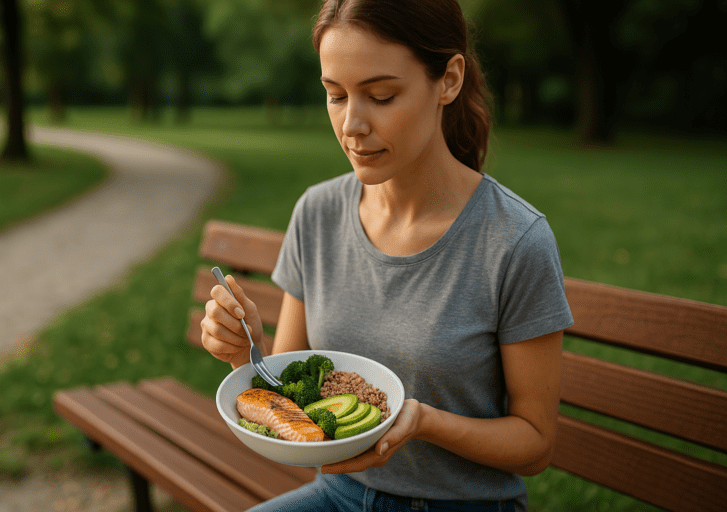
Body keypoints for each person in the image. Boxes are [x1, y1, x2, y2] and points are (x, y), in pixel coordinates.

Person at [201, 0, 574, 510]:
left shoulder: (514, 241)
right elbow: (289, 395)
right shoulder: (318, 212)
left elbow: (535, 444)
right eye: (335, 95)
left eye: (381, 95)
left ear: (448, 80)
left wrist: (424, 422)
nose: (352, 124)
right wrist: (245, 352)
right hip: (339, 495)